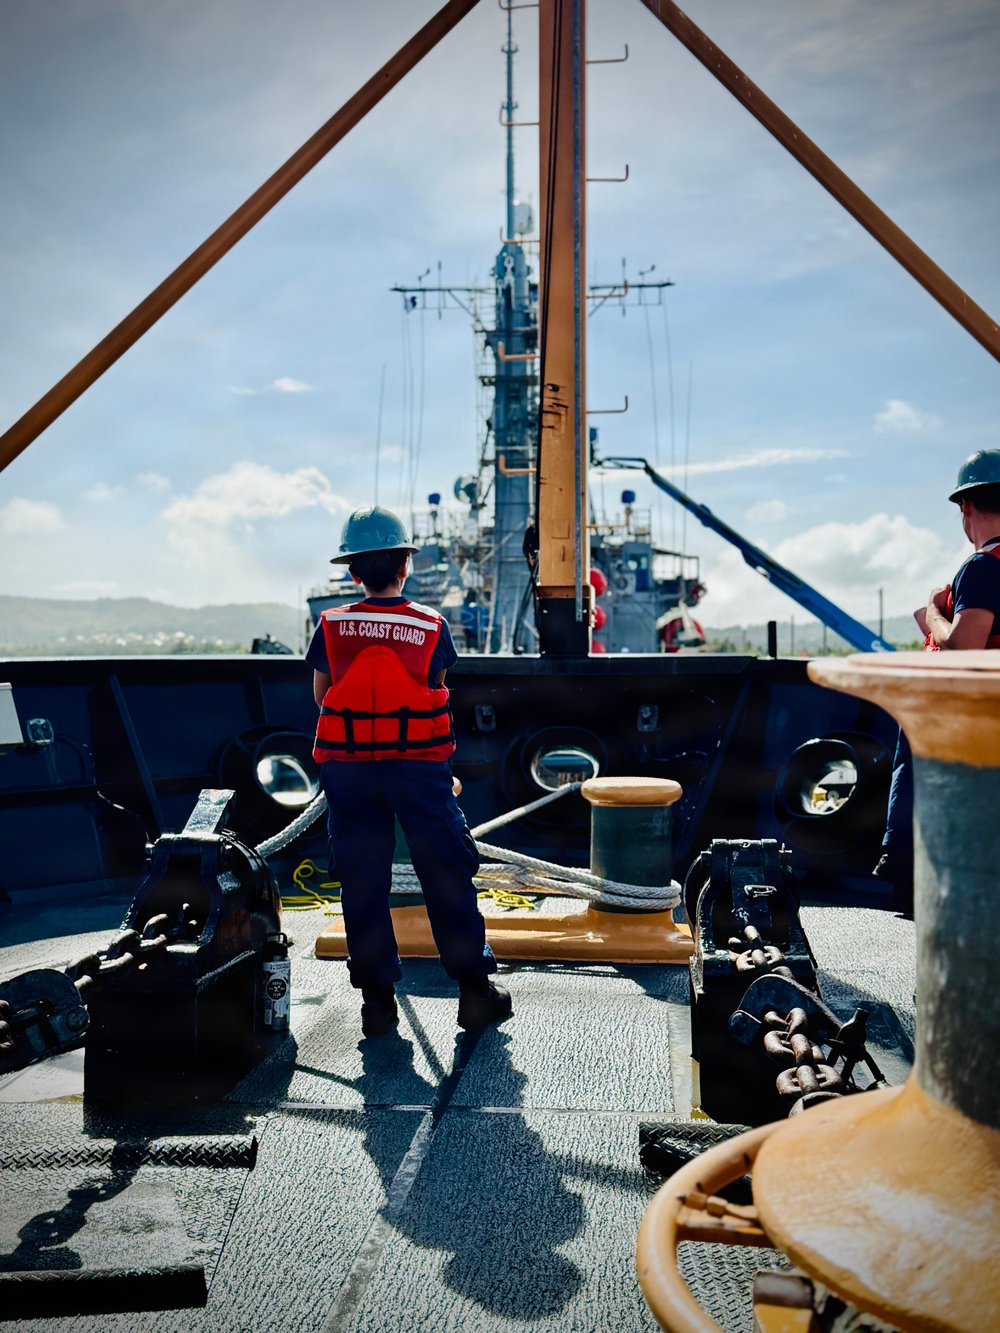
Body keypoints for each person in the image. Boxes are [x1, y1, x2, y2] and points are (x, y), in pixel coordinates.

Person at [307, 504, 511, 1036]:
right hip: (419, 770)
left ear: (352, 571)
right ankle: (474, 993)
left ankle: (377, 1004)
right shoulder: (431, 625)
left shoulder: (330, 626)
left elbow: (322, 696)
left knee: (363, 882)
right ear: (405, 566)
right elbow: (434, 685)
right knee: (446, 874)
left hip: (349, 772)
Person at [877, 450, 1000, 903]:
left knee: (916, 761)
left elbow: (967, 647)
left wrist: (932, 610)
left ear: (965, 507)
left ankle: (907, 869)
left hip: (968, 713)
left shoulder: (981, 567)